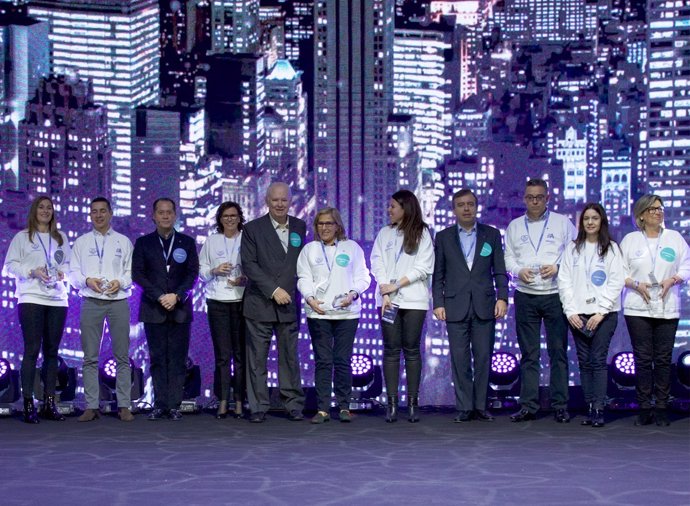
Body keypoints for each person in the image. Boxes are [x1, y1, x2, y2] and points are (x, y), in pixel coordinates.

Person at [432, 189, 508, 423]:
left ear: (477, 207)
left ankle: (481, 406)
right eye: (461, 205)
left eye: (470, 204)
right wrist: (438, 303)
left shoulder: (491, 235)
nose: (466, 208)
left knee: (484, 357)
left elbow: (500, 271)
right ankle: (464, 407)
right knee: (459, 358)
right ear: (454, 209)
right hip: (454, 306)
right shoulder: (443, 237)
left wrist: (502, 297)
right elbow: (438, 275)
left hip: (485, 305)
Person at [505, 178, 577, 423]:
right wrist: (517, 271)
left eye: (539, 197)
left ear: (547, 198)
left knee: (558, 352)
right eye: (530, 197)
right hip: (525, 294)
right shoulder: (514, 226)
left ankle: (560, 405)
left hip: (555, 294)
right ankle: (528, 406)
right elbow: (508, 257)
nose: (534, 201)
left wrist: (558, 267)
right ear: (524, 199)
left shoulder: (562, 223)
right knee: (529, 354)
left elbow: (574, 253)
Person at [620, 194, 690, 426]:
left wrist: (674, 279)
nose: (658, 212)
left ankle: (661, 406)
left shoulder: (674, 238)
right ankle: (644, 407)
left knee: (662, 358)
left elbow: (687, 265)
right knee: (642, 359)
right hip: (637, 306)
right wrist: (635, 284)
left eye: (660, 209)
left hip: (666, 305)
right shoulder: (630, 240)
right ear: (641, 215)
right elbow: (619, 271)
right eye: (652, 209)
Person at [297, 207, 371, 424]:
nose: (325, 227)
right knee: (323, 361)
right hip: (318, 312)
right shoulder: (309, 249)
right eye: (321, 223)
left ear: (338, 225)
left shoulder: (352, 248)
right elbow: (303, 277)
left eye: (329, 223)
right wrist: (310, 298)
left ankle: (344, 406)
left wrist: (353, 293)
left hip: (347, 313)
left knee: (342, 360)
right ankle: (322, 409)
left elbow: (363, 276)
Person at [241, 182, 307, 423]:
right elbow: (249, 265)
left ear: (290, 201)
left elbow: (302, 263)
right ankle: (258, 406)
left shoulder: (300, 226)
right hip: (260, 303)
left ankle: (293, 404)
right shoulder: (252, 229)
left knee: (290, 358)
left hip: (289, 303)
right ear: (266, 201)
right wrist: (274, 290)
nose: (280, 204)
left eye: (284, 200)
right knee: (257, 358)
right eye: (275, 200)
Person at [3, 196, 71, 423]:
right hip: (31, 297)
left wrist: (63, 273)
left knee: (52, 352)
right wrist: (32, 271)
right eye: (41, 207)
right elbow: (10, 266)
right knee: (32, 350)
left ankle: (49, 403)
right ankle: (28, 403)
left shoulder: (61, 238)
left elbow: (69, 266)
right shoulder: (22, 237)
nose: (45, 211)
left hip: (57, 299)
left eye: (49, 208)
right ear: (34, 211)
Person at [558, 203, 625, 427]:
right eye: (586, 218)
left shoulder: (612, 248)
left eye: (594, 218)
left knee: (597, 360)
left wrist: (601, 312)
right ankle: (589, 407)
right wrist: (570, 311)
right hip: (577, 314)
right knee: (584, 362)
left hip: (604, 315)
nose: (589, 222)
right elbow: (564, 280)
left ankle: (599, 408)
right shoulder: (572, 248)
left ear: (601, 221)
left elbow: (616, 282)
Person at [132, 198, 199, 421]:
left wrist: (177, 296)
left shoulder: (187, 242)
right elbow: (138, 274)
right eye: (161, 212)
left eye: (169, 212)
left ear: (175, 215)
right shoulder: (143, 243)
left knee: (178, 359)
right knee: (158, 358)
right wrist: (160, 296)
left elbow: (192, 274)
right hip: (154, 308)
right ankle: (160, 404)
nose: (165, 216)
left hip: (180, 308)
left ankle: (175, 405)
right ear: (154, 216)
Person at [371, 189, 434, 423]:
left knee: (412, 349)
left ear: (405, 208)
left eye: (393, 206)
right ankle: (392, 404)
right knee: (390, 350)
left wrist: (395, 285)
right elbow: (376, 262)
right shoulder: (384, 233)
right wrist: (384, 288)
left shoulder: (422, 233)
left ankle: (413, 403)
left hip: (414, 299)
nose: (389, 210)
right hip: (388, 300)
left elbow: (423, 267)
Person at [69, 197, 135, 422]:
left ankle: (124, 405)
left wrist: (121, 282)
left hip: (118, 300)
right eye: (94, 212)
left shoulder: (123, 241)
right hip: (91, 301)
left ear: (110, 213)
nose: (98, 215)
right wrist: (87, 281)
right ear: (90, 215)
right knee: (90, 357)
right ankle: (91, 406)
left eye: (103, 211)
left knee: (122, 356)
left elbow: (130, 271)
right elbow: (73, 273)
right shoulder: (81, 242)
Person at [199, 201, 247, 419]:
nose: (230, 219)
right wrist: (215, 270)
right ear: (220, 218)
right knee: (222, 356)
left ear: (239, 218)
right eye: (225, 216)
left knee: (240, 355)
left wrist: (245, 279)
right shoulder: (212, 241)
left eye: (233, 215)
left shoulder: (247, 239)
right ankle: (222, 400)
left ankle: (239, 400)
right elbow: (201, 272)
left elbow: (256, 268)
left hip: (241, 301)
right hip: (217, 301)